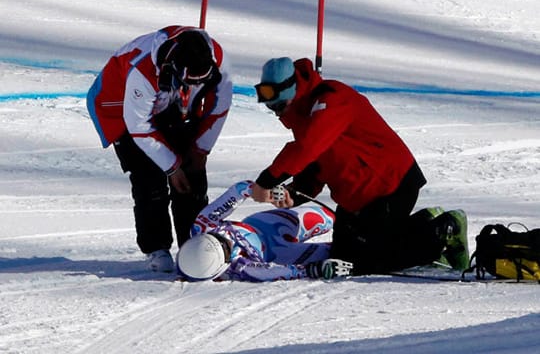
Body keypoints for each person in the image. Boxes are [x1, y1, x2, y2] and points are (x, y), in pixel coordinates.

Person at [249, 57, 469, 276]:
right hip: (356, 195)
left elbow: (307, 148)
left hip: (389, 185)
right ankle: (424, 224)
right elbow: (315, 165)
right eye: (270, 106)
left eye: (278, 105)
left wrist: (266, 181)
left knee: (370, 262)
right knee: (342, 258)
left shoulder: (332, 98)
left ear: (293, 89)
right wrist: (294, 195)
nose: (276, 112)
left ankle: (445, 229)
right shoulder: (304, 116)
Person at [86, 26, 233, 272]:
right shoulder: (143, 71)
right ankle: (157, 248)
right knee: (149, 178)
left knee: (192, 174)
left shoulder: (217, 58)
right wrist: (171, 167)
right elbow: (139, 128)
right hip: (121, 111)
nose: (193, 87)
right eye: (189, 82)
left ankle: (195, 245)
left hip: (171, 107)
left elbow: (218, 107)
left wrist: (200, 150)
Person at [175, 180, 353, 282]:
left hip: (267, 224)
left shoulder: (203, 225)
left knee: (333, 217)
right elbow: (274, 271)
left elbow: (237, 192)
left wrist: (258, 189)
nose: (228, 240)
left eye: (219, 238)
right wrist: (313, 270)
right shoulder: (239, 268)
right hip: (281, 253)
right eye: (227, 248)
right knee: (345, 250)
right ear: (224, 264)